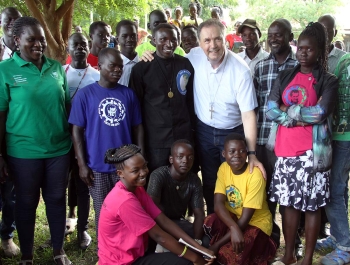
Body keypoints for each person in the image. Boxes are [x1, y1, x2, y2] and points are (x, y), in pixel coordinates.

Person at [0, 17, 72, 265]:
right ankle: (27, 256)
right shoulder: (5, 71)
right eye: (32, 39)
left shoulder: (56, 68)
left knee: (56, 199)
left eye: (41, 39)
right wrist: (0, 156)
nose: (38, 44)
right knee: (27, 201)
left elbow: (66, 107)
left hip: (59, 150)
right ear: (17, 40)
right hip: (23, 152)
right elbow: (0, 116)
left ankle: (58, 251)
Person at [266, 22, 338, 265]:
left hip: (312, 155)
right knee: (288, 204)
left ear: (320, 51)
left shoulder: (327, 80)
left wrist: (290, 114)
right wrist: (295, 115)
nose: (303, 53)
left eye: (310, 49)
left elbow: (320, 113)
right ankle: (288, 255)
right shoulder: (286, 75)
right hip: (285, 152)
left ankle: (306, 259)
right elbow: (270, 109)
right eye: (301, 48)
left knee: (312, 206)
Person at [187, 19, 264, 215]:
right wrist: (148, 55)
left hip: (232, 133)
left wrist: (252, 153)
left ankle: (235, 225)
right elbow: (168, 59)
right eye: (206, 40)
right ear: (199, 43)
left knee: (233, 183)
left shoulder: (240, 70)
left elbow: (248, 115)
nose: (212, 45)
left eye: (217, 39)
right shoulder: (193, 57)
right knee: (211, 181)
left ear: (226, 39)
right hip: (204, 131)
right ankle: (215, 223)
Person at [69, 48, 144, 242]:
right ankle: (106, 252)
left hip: (126, 168)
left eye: (120, 66)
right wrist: (82, 165)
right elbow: (76, 131)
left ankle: (128, 250)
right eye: (113, 66)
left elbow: (138, 128)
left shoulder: (128, 94)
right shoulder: (85, 95)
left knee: (129, 210)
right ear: (100, 66)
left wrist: (141, 159)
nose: (118, 70)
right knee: (105, 212)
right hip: (98, 167)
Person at [98, 144, 215, 265]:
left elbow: (162, 220)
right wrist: (196, 258)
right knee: (186, 262)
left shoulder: (137, 189)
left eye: (144, 167)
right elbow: (159, 236)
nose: (143, 173)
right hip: (124, 261)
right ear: (120, 173)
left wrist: (199, 248)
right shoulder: (124, 201)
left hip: (140, 248)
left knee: (204, 241)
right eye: (135, 170)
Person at [254, 18, 303, 256]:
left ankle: (293, 244)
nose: (273, 39)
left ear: (290, 37)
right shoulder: (261, 66)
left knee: (289, 196)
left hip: (290, 144)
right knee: (265, 197)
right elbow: (253, 107)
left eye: (279, 35)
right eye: (270, 35)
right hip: (263, 141)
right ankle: (271, 242)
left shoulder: (301, 65)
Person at [130, 23, 195, 173]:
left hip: (182, 136)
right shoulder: (142, 68)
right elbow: (136, 107)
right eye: (163, 39)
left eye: (173, 39)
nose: (169, 44)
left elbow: (190, 101)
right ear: (154, 40)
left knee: (183, 179)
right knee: (156, 181)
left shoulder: (184, 64)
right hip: (155, 139)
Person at [204, 133, 276, 265]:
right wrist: (233, 228)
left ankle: (267, 246)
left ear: (247, 153)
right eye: (232, 151)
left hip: (255, 223)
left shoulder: (255, 175)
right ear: (224, 154)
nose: (237, 155)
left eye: (242, 151)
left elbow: (245, 220)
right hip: (235, 219)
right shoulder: (224, 168)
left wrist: (216, 246)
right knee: (209, 221)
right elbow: (218, 204)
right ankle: (225, 240)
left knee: (228, 254)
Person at [63, 32, 100, 249]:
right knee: (58, 185)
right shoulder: (60, 73)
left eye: (83, 44)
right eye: (74, 45)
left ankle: (83, 230)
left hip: (86, 139)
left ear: (89, 48)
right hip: (61, 139)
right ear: (68, 49)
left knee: (82, 184)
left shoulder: (96, 75)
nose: (79, 48)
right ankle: (60, 227)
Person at [315, 50, 350, 265]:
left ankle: (345, 246)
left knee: (333, 191)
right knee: (340, 188)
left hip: (343, 136)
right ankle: (338, 237)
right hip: (334, 135)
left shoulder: (345, 62)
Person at [147, 140, 204, 241]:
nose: (185, 161)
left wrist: (197, 241)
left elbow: (199, 214)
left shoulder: (194, 180)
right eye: (180, 157)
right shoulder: (158, 176)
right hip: (159, 225)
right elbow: (152, 210)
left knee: (205, 239)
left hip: (179, 223)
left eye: (190, 157)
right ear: (171, 159)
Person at [0, 6, 22, 259]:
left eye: (17, 21)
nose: (12, 24)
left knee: (11, 193)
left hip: (14, 136)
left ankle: (7, 235)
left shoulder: (28, 52)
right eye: (9, 21)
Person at [116, 20, 139, 87]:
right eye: (124, 36)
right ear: (117, 40)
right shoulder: (113, 68)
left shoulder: (145, 63)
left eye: (133, 36)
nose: (129, 39)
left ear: (137, 37)